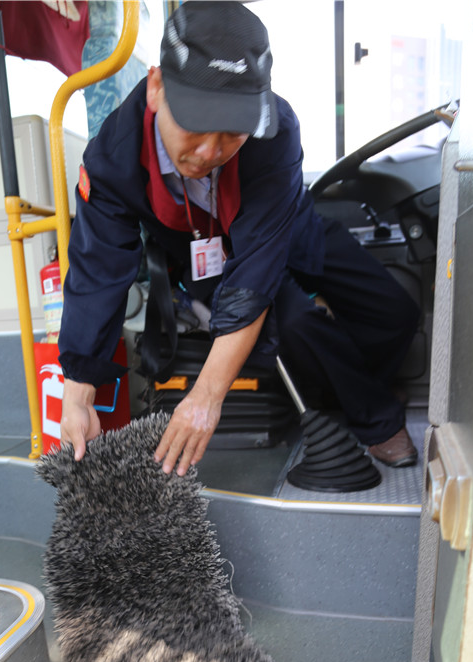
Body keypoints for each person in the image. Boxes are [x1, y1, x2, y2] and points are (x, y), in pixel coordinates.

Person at [59, 0, 419, 477]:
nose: (210, 152)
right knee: (295, 325)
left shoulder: (276, 129)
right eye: (195, 124)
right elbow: (97, 273)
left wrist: (207, 397)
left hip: (289, 227)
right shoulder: (112, 158)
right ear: (156, 87)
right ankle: (374, 418)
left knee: (395, 311)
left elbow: (262, 261)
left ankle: (352, 386)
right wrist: (78, 392)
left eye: (233, 132)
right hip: (204, 256)